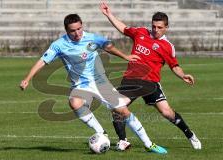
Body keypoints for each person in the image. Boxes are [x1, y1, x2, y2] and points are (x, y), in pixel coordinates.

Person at [20, 14, 168, 154]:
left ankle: (149, 144)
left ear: (82, 26)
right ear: (66, 31)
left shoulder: (91, 38)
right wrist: (28, 78)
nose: (77, 33)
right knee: (74, 102)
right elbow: (42, 61)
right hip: (80, 85)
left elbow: (108, 46)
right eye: (73, 31)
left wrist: (125, 56)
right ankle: (101, 132)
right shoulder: (59, 45)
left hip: (100, 82)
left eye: (79, 29)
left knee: (123, 112)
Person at [100, 2, 202, 151]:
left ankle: (190, 134)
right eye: (154, 26)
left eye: (160, 27)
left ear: (166, 27)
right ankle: (123, 141)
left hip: (150, 83)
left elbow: (174, 65)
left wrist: (183, 75)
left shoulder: (167, 46)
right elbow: (123, 28)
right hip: (131, 80)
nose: (156, 30)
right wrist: (109, 14)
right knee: (117, 107)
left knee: (167, 113)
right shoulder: (140, 32)